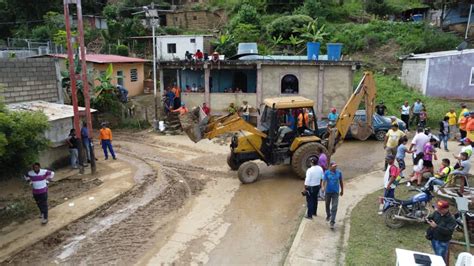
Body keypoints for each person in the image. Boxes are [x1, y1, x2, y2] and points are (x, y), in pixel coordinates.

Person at [322, 161, 343, 229]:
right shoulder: (327, 172)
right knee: (327, 205)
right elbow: (324, 181)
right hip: (328, 192)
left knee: (334, 207)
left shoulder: (339, 172)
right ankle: (328, 215)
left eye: (335, 166)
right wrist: (322, 187)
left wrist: (342, 190)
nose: (335, 168)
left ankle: (332, 222)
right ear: (330, 166)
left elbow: (341, 181)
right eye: (334, 166)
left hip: (335, 193)